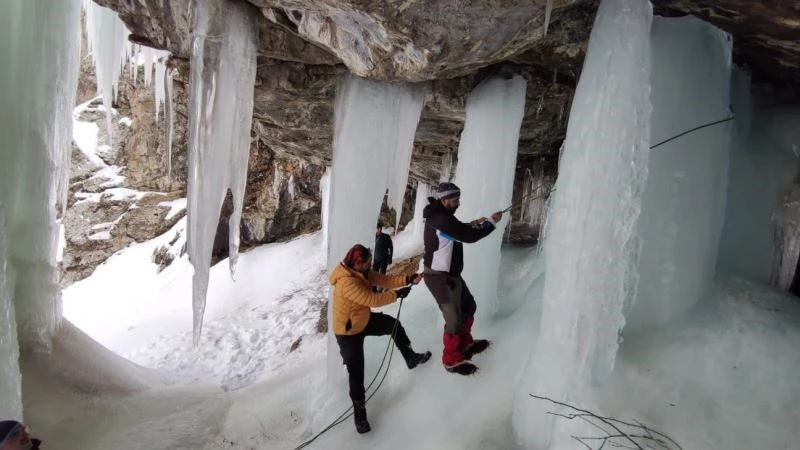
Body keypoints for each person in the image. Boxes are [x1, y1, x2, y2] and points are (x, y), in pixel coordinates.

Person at [330, 244, 432, 434]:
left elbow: (384, 280)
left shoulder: (363, 271)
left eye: (370, 262)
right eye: (367, 263)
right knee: (357, 372)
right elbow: (372, 300)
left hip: (362, 319)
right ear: (357, 264)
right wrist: (397, 295)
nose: (370, 265)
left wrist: (407, 279)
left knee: (393, 325)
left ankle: (410, 358)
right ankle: (360, 417)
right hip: (347, 332)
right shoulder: (347, 282)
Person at [422, 182, 502, 375]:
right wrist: (490, 223)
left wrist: (474, 223)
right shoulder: (441, 219)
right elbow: (468, 237)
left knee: (469, 306)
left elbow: (456, 230)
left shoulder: (442, 217)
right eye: (456, 200)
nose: (458, 203)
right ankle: (451, 360)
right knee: (454, 319)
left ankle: (465, 344)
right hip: (439, 277)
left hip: (450, 274)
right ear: (445, 199)